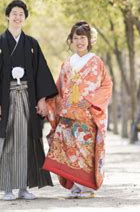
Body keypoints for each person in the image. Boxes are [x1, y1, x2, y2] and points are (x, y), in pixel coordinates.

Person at [0, 0, 58, 201]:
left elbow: (41, 73)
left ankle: (23, 187)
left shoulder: (31, 44)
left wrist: (42, 100)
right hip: (5, 99)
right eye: (14, 13)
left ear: (24, 18)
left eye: (21, 14)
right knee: (7, 142)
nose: (17, 17)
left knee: (25, 141)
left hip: (27, 97)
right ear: (8, 16)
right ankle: (8, 187)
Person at [42, 21, 112, 199]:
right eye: (75, 38)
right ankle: (75, 186)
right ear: (71, 41)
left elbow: (106, 85)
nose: (79, 41)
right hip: (67, 114)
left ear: (89, 40)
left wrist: (90, 100)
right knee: (69, 151)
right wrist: (46, 102)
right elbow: (58, 88)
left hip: (87, 115)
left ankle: (86, 187)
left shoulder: (96, 62)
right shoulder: (67, 63)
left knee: (84, 150)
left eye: (83, 38)